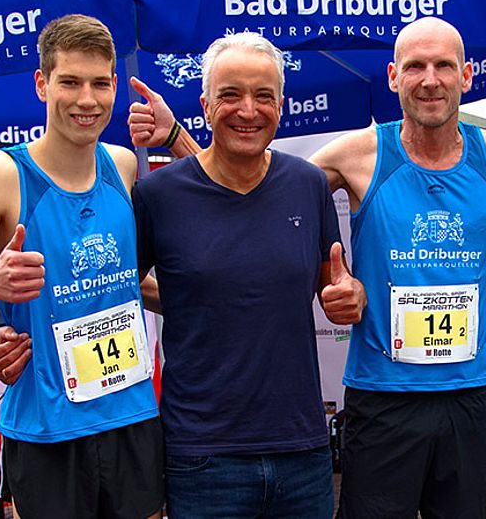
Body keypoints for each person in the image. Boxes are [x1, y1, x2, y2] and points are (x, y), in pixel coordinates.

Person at [125, 17, 486, 518]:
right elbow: (246, 185)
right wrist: (176, 139)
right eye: (415, 66)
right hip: (382, 397)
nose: (430, 79)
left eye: (444, 65)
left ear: (466, 75)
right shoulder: (356, 154)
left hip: (470, 393)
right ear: (393, 76)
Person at [0, 15, 164, 519]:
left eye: (100, 84)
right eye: (70, 82)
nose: (86, 100)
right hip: (47, 432)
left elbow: (127, 284)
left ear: (115, 87)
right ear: (41, 84)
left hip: (132, 419)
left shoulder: (122, 166)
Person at [134, 32, 365, 517]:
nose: (248, 110)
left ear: (281, 104)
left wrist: (351, 295)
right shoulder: (158, 195)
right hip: (203, 457)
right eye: (230, 95)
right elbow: (117, 290)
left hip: (301, 449)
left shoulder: (307, 185)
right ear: (204, 104)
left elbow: (333, 283)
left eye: (263, 96)